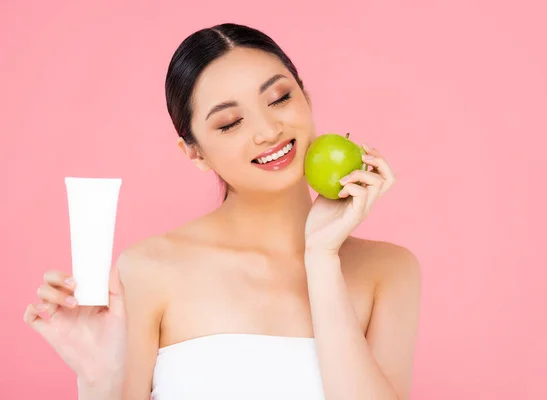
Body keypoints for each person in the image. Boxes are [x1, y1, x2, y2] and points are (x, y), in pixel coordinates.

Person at [23, 23, 422, 400]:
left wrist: (321, 259)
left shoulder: (388, 270)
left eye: (280, 98)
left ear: (306, 97)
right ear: (195, 153)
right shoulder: (148, 269)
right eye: (230, 123)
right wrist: (98, 377)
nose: (268, 130)